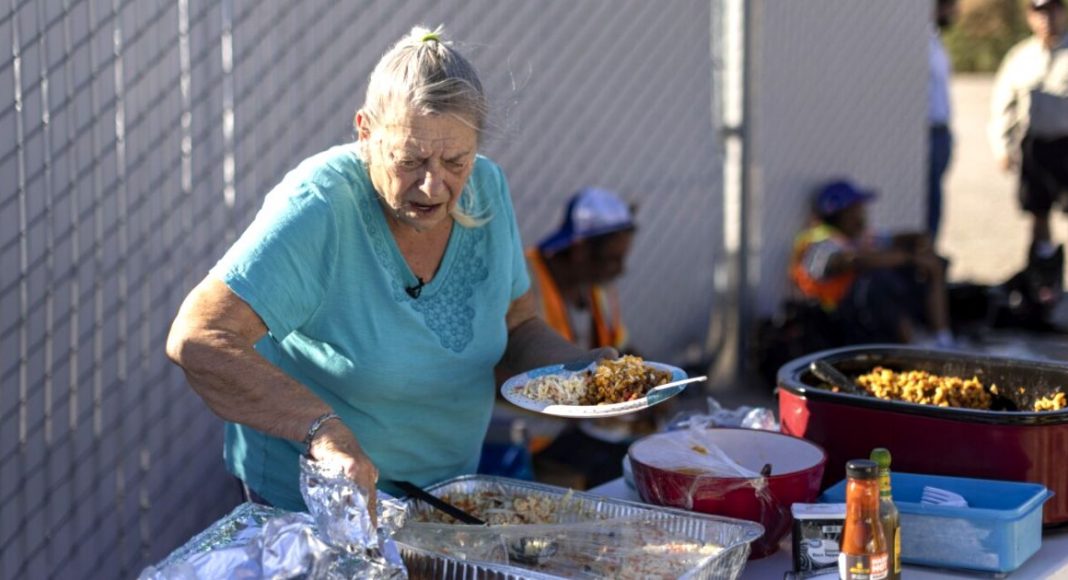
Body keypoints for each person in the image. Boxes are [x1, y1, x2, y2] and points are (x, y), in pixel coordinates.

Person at [165, 26, 611, 514]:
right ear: (365, 133)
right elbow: (199, 338)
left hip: (448, 493)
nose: (432, 185)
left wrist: (581, 373)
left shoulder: (487, 186)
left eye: (455, 160)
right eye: (410, 159)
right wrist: (323, 430)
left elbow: (518, 325)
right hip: (317, 503)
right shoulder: (320, 204)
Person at [790, 179, 955, 347]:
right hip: (834, 323)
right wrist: (907, 257)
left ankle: (942, 339)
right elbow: (853, 261)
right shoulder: (819, 241)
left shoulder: (857, 236)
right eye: (854, 210)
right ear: (838, 215)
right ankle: (913, 348)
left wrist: (919, 244)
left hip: (863, 318)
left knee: (927, 267)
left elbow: (894, 239)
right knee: (877, 282)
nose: (861, 215)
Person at [988, 0, 1068, 262]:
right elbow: (1003, 105)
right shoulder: (1020, 57)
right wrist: (1002, 147)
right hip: (1036, 148)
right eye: (1041, 12)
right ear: (1031, 17)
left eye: (1054, 10)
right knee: (1037, 213)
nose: (1048, 18)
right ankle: (1043, 277)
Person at [526, 187, 636, 352]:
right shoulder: (525, 283)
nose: (621, 270)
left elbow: (620, 346)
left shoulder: (596, 283)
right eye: (612, 259)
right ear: (580, 250)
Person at [928, 0, 958, 240]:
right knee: (928, 203)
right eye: (949, 4)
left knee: (934, 201)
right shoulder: (922, 41)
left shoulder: (936, 40)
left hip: (940, 132)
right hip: (925, 134)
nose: (954, 10)